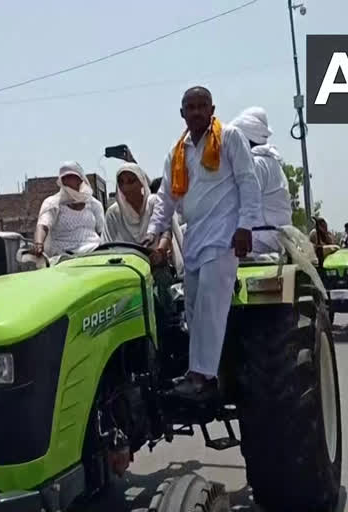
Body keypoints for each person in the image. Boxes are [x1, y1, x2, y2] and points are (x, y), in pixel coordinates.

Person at [145, 86, 261, 399]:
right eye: (190, 107)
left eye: (201, 106)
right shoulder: (177, 152)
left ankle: (202, 376)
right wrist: (153, 233)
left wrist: (245, 226)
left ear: (212, 109)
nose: (196, 111)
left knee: (211, 303)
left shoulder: (230, 137)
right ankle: (202, 373)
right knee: (194, 309)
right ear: (182, 113)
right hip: (195, 236)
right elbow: (165, 200)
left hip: (224, 234)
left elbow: (248, 181)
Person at [229, 107, 292, 254]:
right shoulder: (270, 162)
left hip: (262, 240)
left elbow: (242, 202)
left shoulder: (257, 164)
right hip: (273, 237)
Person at [103, 163, 183, 271]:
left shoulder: (154, 202)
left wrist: (160, 251)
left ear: (141, 182)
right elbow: (107, 243)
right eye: (121, 182)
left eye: (131, 181)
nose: (125, 187)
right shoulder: (113, 213)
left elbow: (166, 230)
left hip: (155, 264)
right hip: (126, 268)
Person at [34, 161, 105, 257]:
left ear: (80, 179)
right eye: (64, 178)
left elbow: (102, 232)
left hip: (95, 251)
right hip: (64, 255)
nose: (68, 181)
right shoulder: (53, 203)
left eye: (72, 177)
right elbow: (43, 226)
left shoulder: (93, 204)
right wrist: (39, 244)